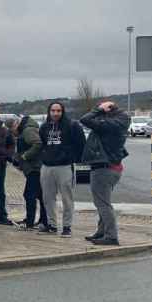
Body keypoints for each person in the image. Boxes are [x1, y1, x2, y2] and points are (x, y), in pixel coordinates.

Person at [79, 101, 130, 246]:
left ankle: (111, 236)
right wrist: (102, 111)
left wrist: (98, 109)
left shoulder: (109, 125)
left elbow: (85, 119)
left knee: (102, 204)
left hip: (103, 168)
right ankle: (101, 231)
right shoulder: (119, 123)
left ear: (108, 111)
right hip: (112, 167)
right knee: (103, 201)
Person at [37, 101, 85, 236]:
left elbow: (81, 145)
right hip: (47, 167)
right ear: (49, 112)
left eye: (58, 111)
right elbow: (41, 145)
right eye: (53, 111)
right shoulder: (44, 127)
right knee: (47, 198)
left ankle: (67, 227)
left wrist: (74, 161)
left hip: (64, 166)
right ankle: (51, 225)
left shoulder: (72, 126)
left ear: (62, 112)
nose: (56, 113)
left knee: (67, 199)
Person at [13, 114, 49, 231]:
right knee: (39, 195)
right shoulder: (29, 128)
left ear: (17, 124)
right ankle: (43, 220)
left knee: (29, 195)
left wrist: (24, 157)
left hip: (35, 168)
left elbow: (37, 144)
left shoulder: (27, 130)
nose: (13, 131)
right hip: (35, 168)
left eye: (12, 128)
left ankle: (30, 222)